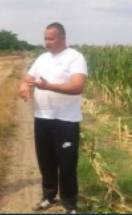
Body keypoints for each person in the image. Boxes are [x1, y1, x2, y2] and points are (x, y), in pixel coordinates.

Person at [19, 23, 88, 215]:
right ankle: (48, 196)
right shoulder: (42, 58)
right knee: (46, 162)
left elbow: (77, 86)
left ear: (62, 38)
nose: (46, 42)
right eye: (45, 38)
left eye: (51, 38)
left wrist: (48, 86)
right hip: (42, 118)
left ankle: (70, 204)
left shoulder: (75, 58)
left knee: (66, 164)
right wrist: (24, 85)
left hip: (66, 120)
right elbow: (28, 77)